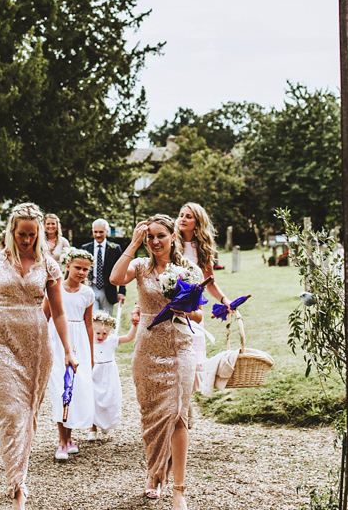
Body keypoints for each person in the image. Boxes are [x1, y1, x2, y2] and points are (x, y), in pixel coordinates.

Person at [0, 202, 78, 510]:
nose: (26, 240)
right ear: (11, 231)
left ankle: (19, 478)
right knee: (11, 414)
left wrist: (69, 351)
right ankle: (18, 487)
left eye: (31, 235)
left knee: (27, 415)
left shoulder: (49, 264)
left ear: (39, 233)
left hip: (36, 348)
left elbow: (58, 313)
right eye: (21, 234)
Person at [109, 214, 201, 510]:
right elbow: (114, 278)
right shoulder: (140, 267)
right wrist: (133, 243)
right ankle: (154, 472)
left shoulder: (188, 269)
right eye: (149, 237)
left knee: (177, 414)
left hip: (179, 348)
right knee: (152, 417)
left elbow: (199, 315)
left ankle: (179, 489)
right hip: (147, 349)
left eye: (160, 235)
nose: (155, 241)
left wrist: (181, 305)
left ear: (173, 236)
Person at [43, 246, 96, 460]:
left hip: (79, 342)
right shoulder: (56, 289)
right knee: (59, 389)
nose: (81, 273)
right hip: (57, 339)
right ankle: (61, 441)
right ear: (67, 266)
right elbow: (45, 317)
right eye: (77, 268)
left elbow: (89, 324)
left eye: (85, 270)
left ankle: (70, 436)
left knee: (75, 389)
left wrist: (91, 354)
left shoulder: (88, 294)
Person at [176, 202, 233, 389]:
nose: (183, 219)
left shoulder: (203, 248)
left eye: (188, 216)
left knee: (189, 360)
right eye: (181, 215)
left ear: (197, 222)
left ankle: (186, 408)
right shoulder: (171, 242)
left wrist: (225, 301)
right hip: (172, 305)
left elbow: (210, 282)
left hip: (193, 308)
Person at [89, 305, 139, 440]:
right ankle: (92, 428)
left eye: (104, 333)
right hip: (95, 374)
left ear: (109, 332)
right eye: (98, 333)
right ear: (92, 330)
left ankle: (105, 423)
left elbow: (128, 337)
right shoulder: (89, 342)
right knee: (94, 399)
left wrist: (134, 325)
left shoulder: (111, 341)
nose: (101, 336)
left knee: (108, 398)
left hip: (108, 374)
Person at [81, 217, 126, 316]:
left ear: (107, 231)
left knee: (106, 321)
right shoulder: (85, 248)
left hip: (108, 290)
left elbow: (122, 270)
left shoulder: (115, 249)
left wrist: (122, 291)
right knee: (93, 319)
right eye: (95, 232)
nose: (98, 235)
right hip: (91, 288)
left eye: (101, 232)